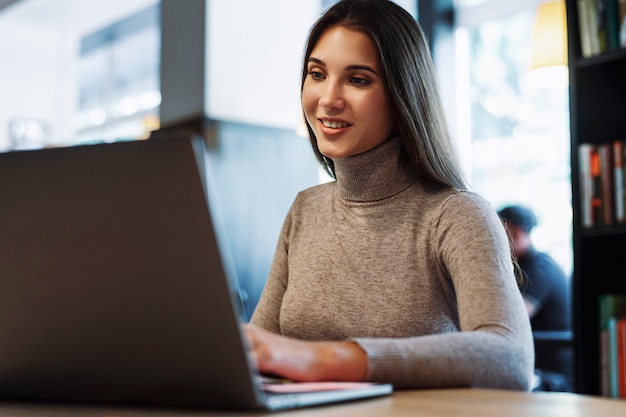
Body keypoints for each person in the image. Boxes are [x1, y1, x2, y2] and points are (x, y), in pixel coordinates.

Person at [244, 0, 534, 390]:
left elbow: (510, 357)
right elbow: (258, 348)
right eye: (317, 74)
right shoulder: (305, 209)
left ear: (403, 97)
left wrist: (331, 359)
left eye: (358, 79)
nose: (328, 98)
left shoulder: (456, 215)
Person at [497, 205, 574, 392]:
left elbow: (510, 319)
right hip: (531, 366)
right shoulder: (520, 267)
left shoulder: (540, 268)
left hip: (553, 376)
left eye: (497, 232)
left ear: (515, 232)